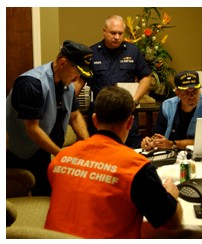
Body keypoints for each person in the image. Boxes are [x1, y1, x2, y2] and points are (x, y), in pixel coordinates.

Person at [44, 86, 183, 238]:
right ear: (130, 122)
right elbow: (172, 223)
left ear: (95, 120)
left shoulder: (60, 158)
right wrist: (171, 194)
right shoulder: (137, 167)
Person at [6, 40, 92, 196]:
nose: (77, 78)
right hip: (15, 152)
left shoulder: (68, 85)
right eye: (76, 71)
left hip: (41, 152)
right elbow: (32, 128)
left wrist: (89, 145)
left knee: (48, 194)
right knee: (21, 197)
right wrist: (61, 155)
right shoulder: (31, 84)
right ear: (63, 63)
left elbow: (75, 116)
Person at [75, 14, 152, 149]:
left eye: (120, 33)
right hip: (101, 116)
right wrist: (66, 101)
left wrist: (135, 100)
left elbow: (146, 77)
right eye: (113, 33)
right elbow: (79, 81)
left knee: (130, 153)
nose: (117, 37)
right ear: (104, 31)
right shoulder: (91, 53)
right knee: (101, 154)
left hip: (126, 113)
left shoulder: (133, 51)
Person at [141, 70, 202, 151]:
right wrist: (151, 141)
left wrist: (172, 144)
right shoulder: (167, 106)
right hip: (170, 153)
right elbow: (159, 133)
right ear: (177, 92)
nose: (191, 96)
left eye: (195, 91)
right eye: (186, 92)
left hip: (199, 152)